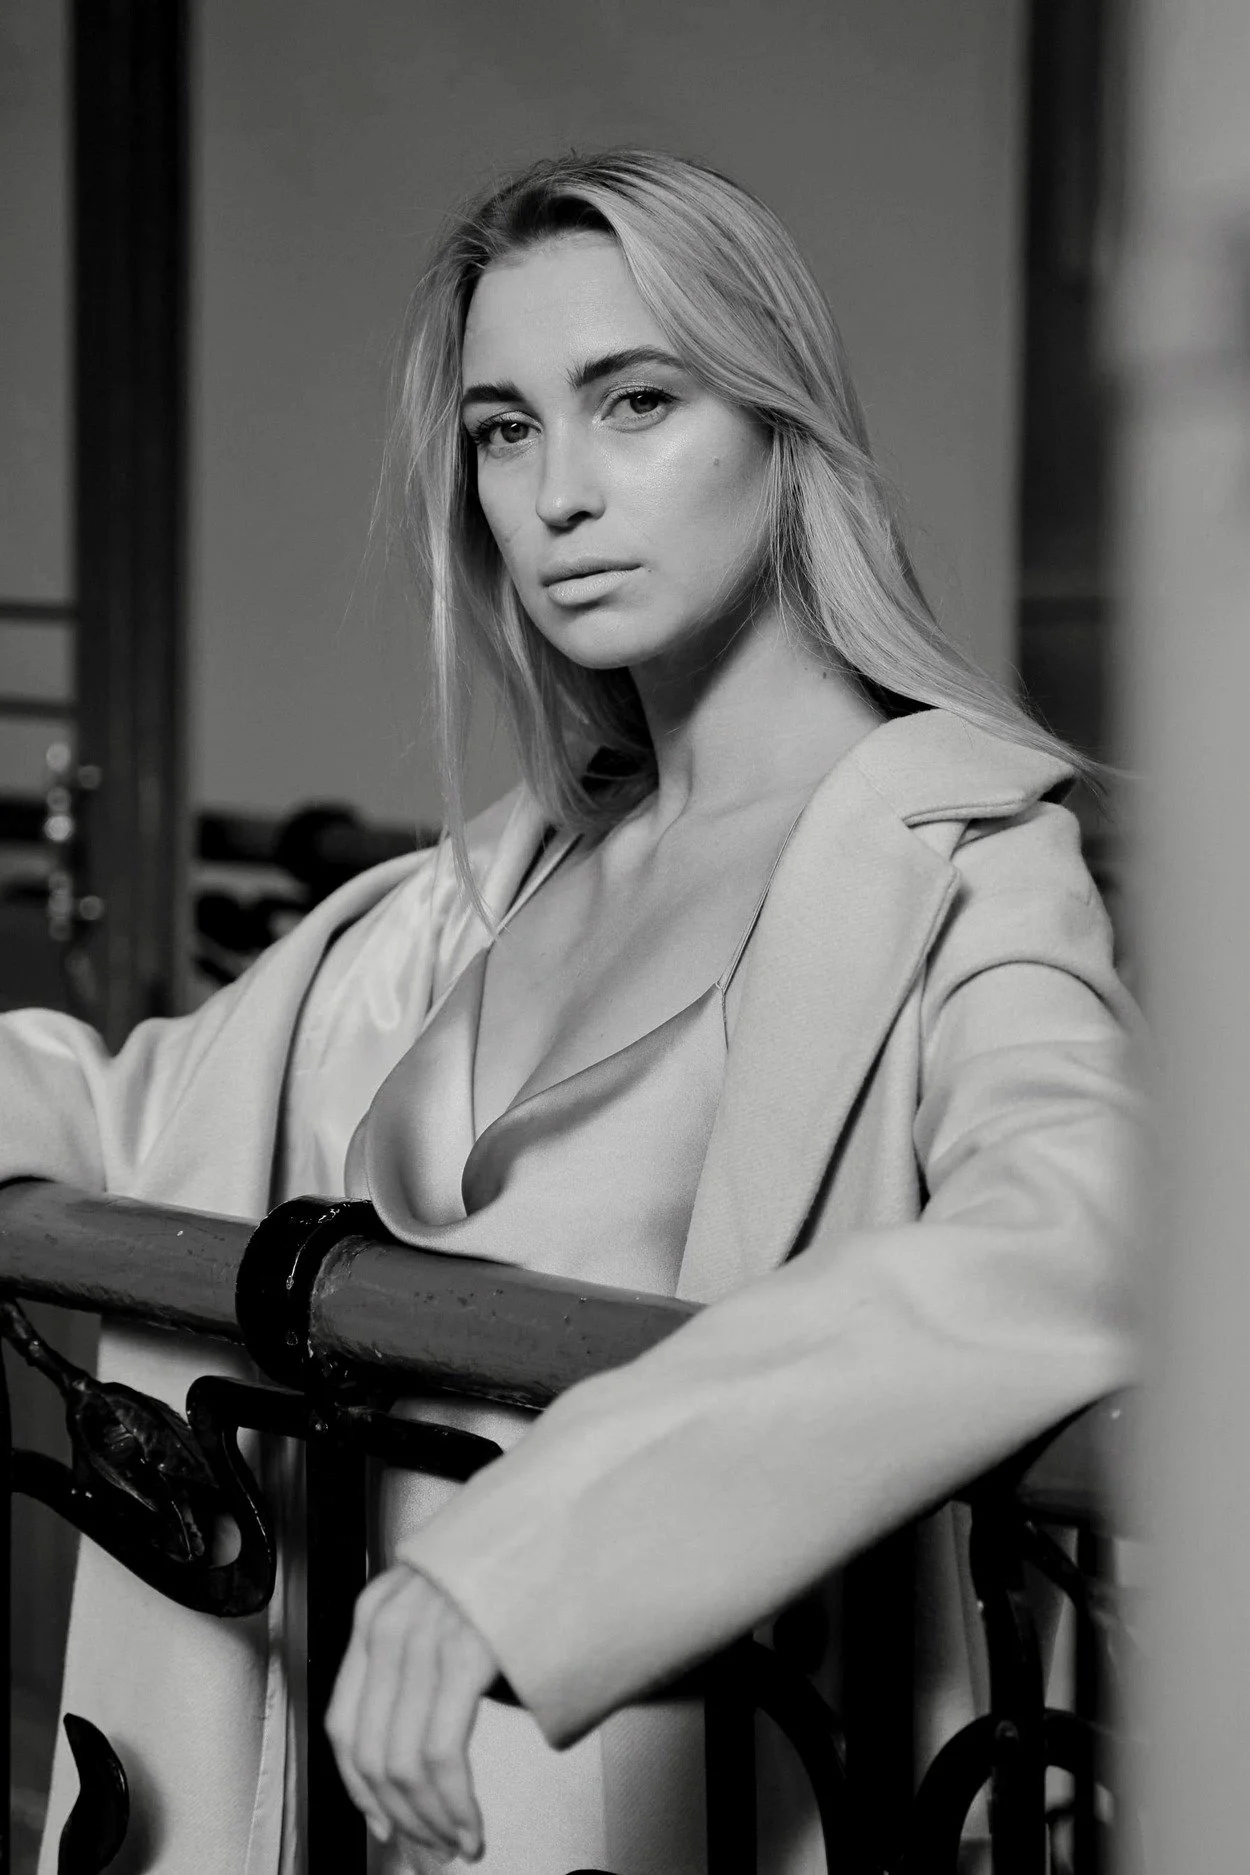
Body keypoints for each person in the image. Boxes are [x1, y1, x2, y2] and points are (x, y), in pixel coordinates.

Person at [0, 150, 1143, 1875]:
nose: (557, 493)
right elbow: (134, 1107)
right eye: (503, 429)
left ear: (781, 432)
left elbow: (1082, 1231)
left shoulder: (960, 865)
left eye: (635, 400)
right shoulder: (484, 886)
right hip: (312, 1806)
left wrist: (528, 1556)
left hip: (642, 1803)